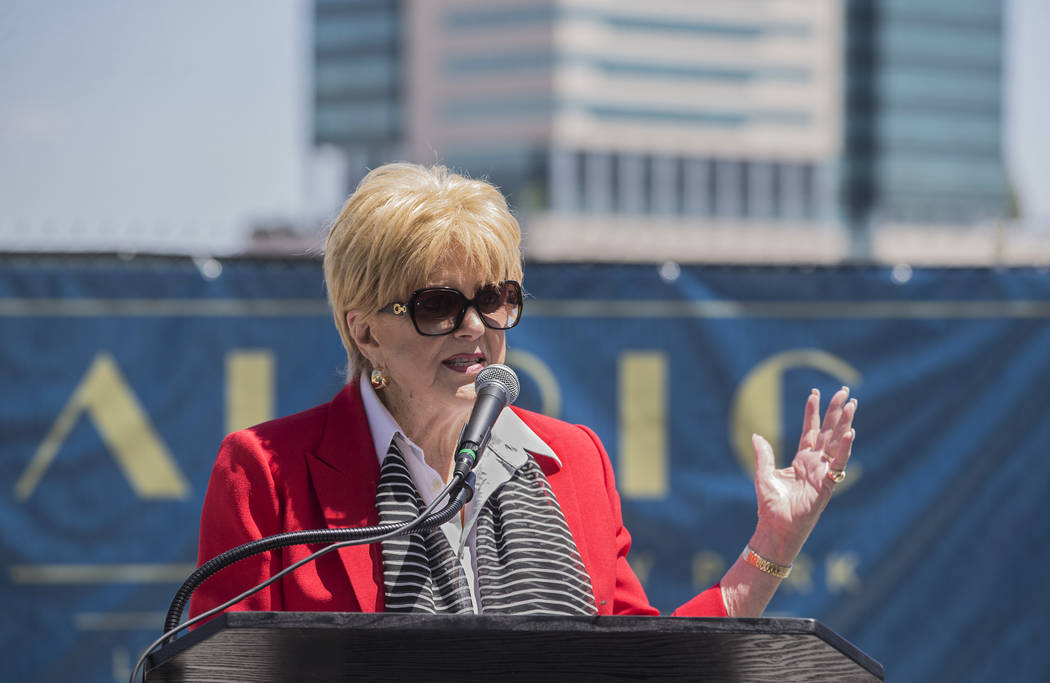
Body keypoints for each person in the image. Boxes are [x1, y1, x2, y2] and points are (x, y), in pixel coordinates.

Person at [189, 162, 856, 620]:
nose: (475, 326)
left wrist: (771, 545)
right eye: (439, 305)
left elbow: (647, 666)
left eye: (495, 299)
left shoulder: (573, 460)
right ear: (365, 332)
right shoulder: (265, 474)